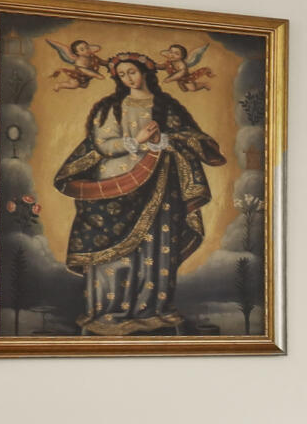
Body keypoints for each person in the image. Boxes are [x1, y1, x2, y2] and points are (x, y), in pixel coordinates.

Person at [51, 53, 224, 335]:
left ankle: (151, 310)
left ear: (145, 72)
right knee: (112, 253)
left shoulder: (168, 106)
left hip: (160, 186)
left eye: (132, 71)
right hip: (114, 188)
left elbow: (192, 138)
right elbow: (103, 145)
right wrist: (137, 141)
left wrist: (163, 140)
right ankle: (108, 312)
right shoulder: (110, 107)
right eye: (122, 74)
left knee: (155, 248)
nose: (128, 78)